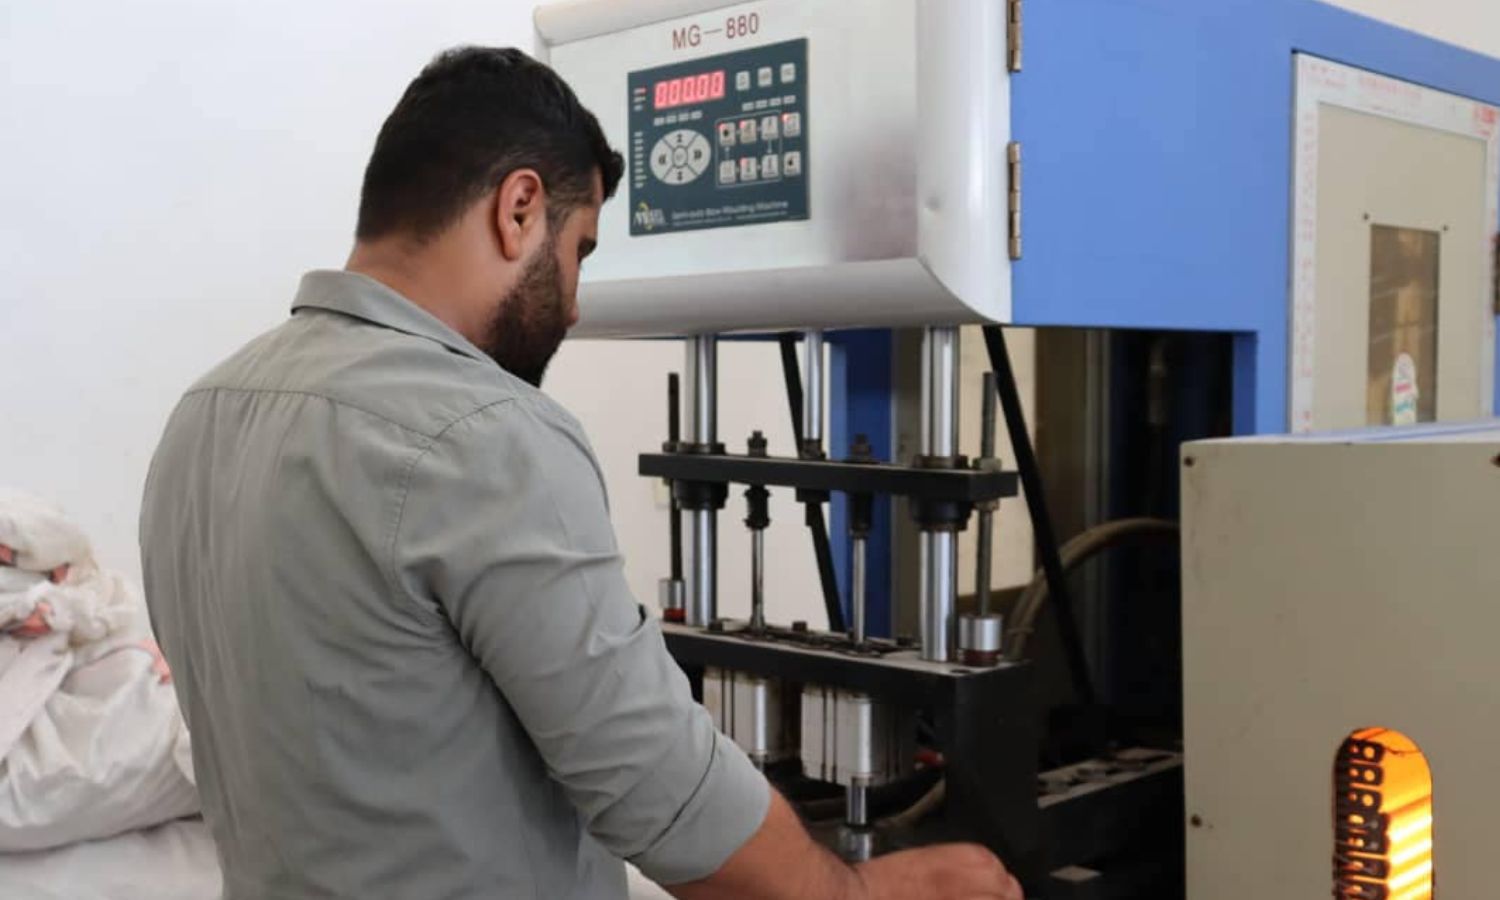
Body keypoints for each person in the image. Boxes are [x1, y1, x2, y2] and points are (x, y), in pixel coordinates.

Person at [139, 46, 1024, 900]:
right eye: (581, 249)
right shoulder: (485, 433)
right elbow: (662, 796)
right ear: (519, 208)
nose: (574, 299)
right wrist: (854, 891)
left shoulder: (203, 416)